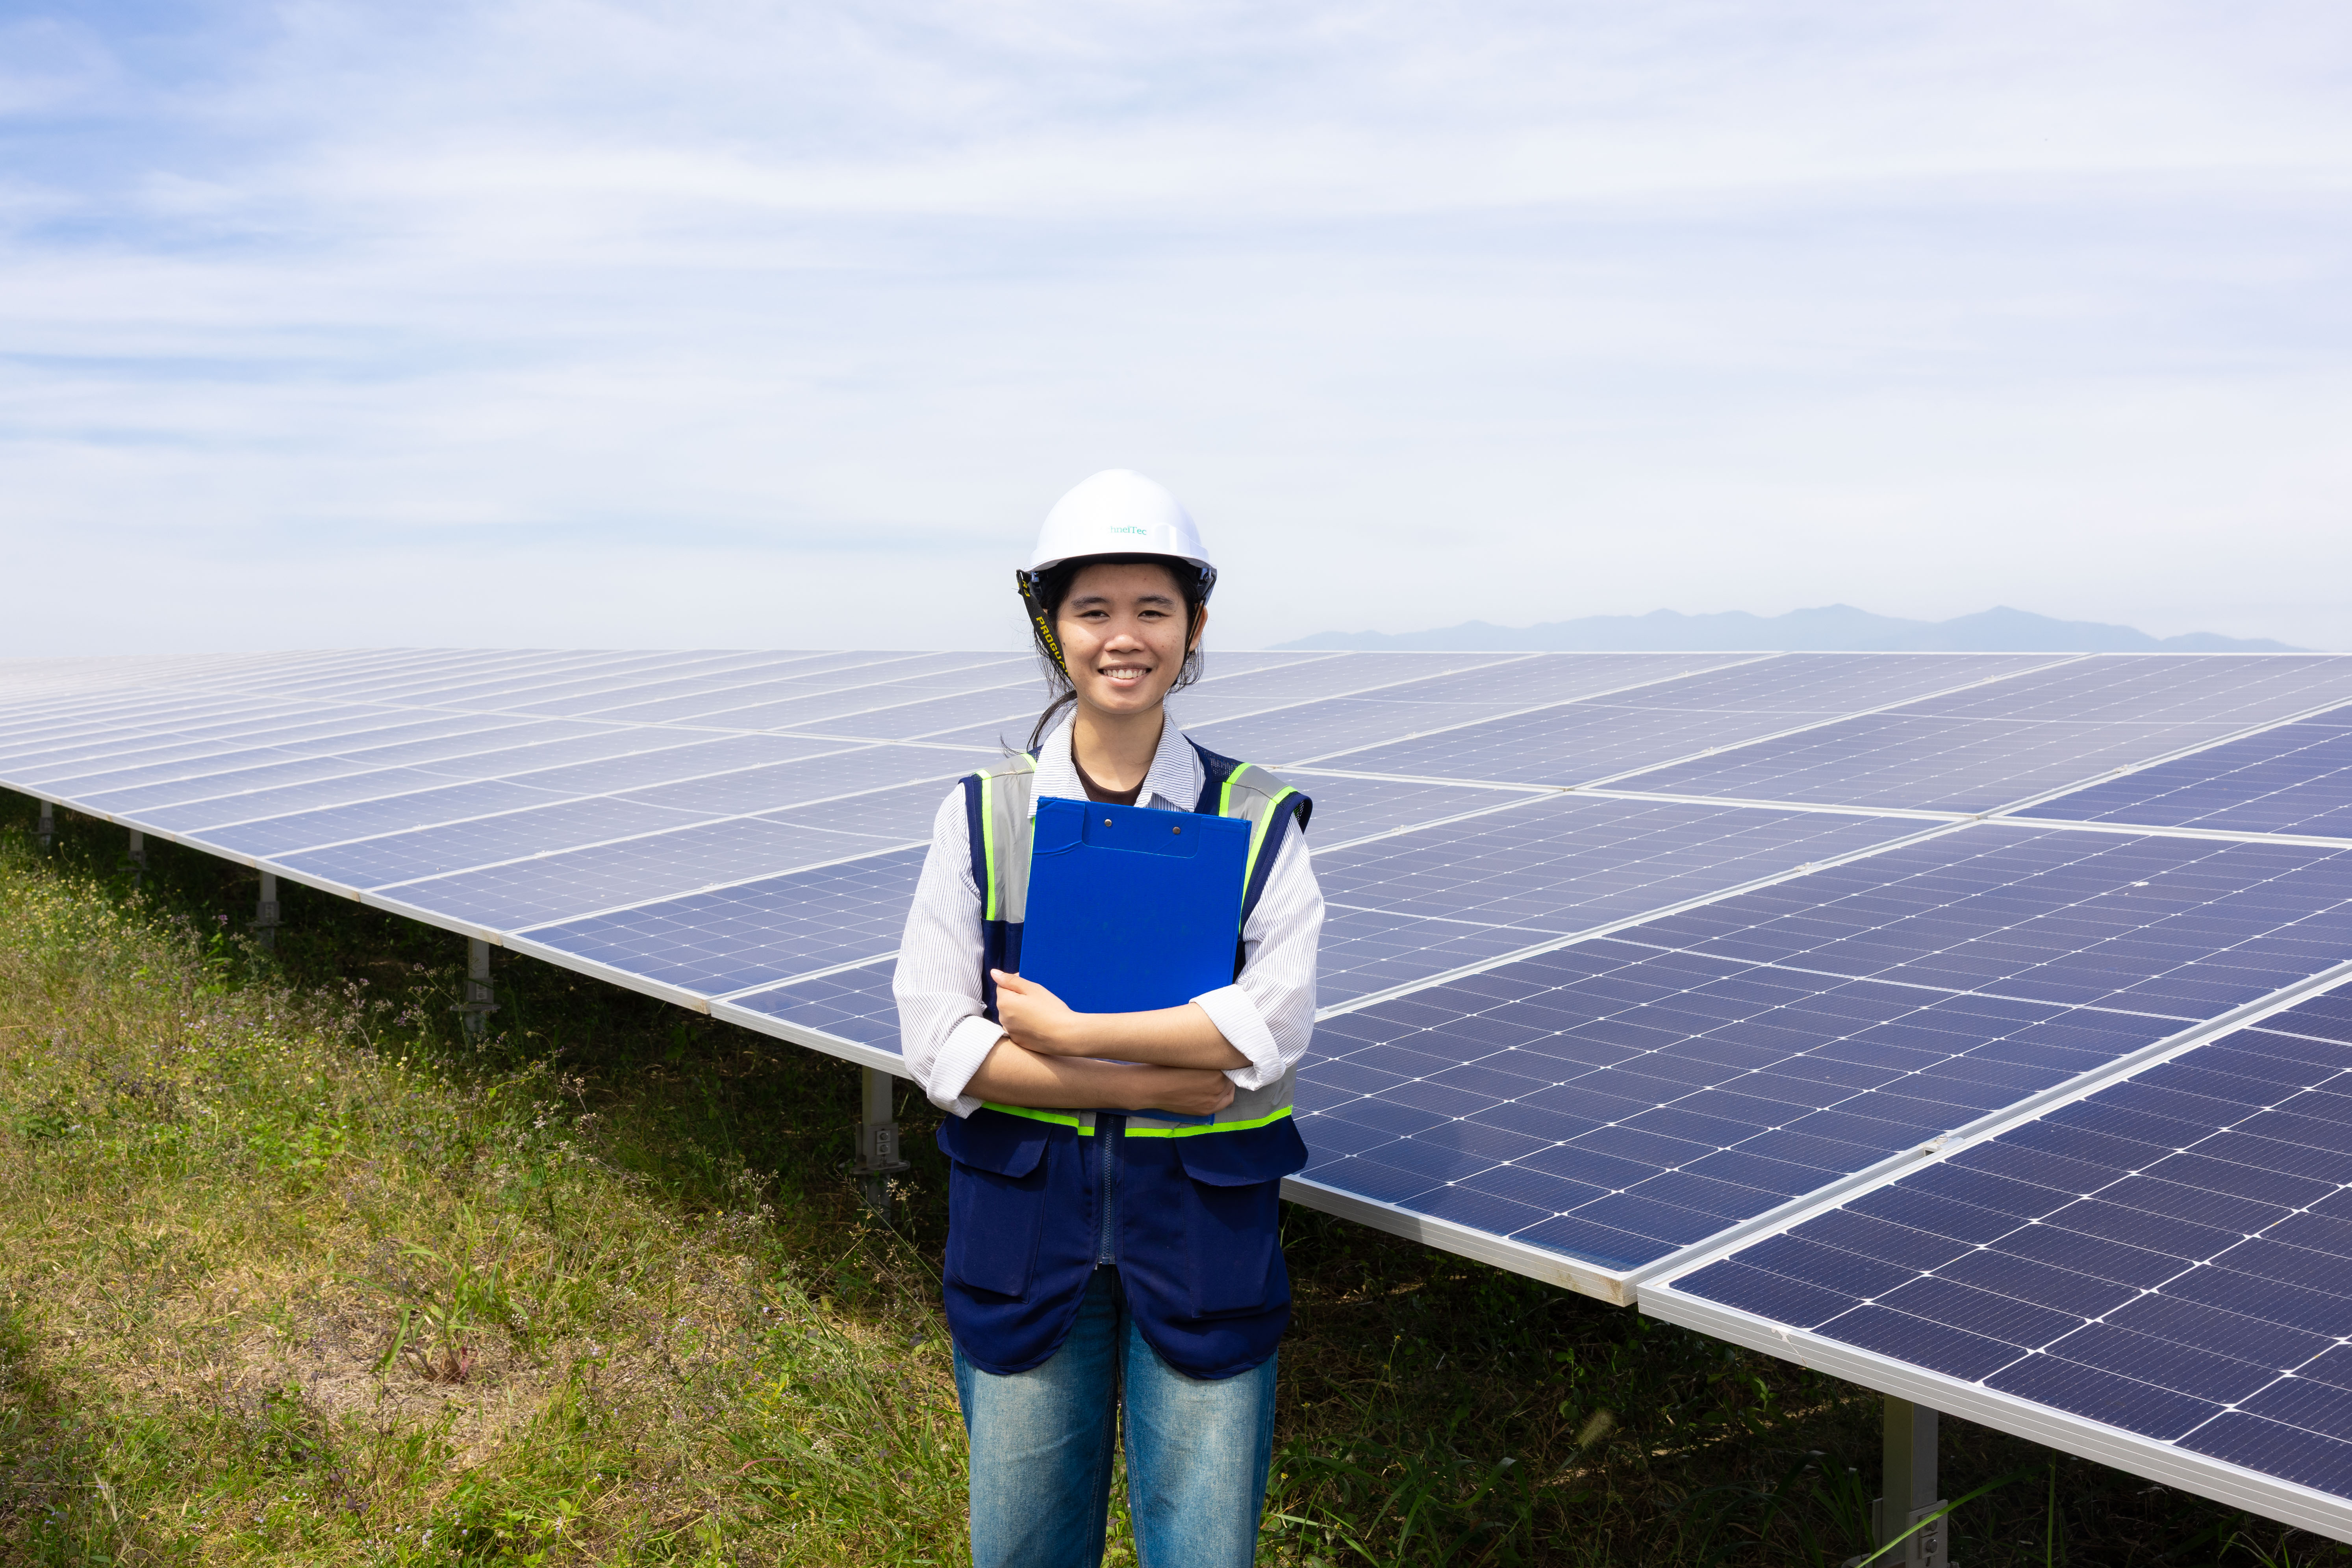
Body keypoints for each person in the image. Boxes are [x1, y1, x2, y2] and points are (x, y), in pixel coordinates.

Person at [894, 469, 1324, 1568]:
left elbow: (1264, 1035)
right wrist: (1163, 1075)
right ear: (1053, 627)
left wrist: (1072, 1039)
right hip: (1025, 1243)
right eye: (1093, 610)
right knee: (1026, 1550)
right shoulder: (985, 815)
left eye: (1153, 610)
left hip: (1200, 1245)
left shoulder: (1258, 814)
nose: (1122, 638)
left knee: (1204, 1553)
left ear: (1195, 628)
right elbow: (944, 1045)